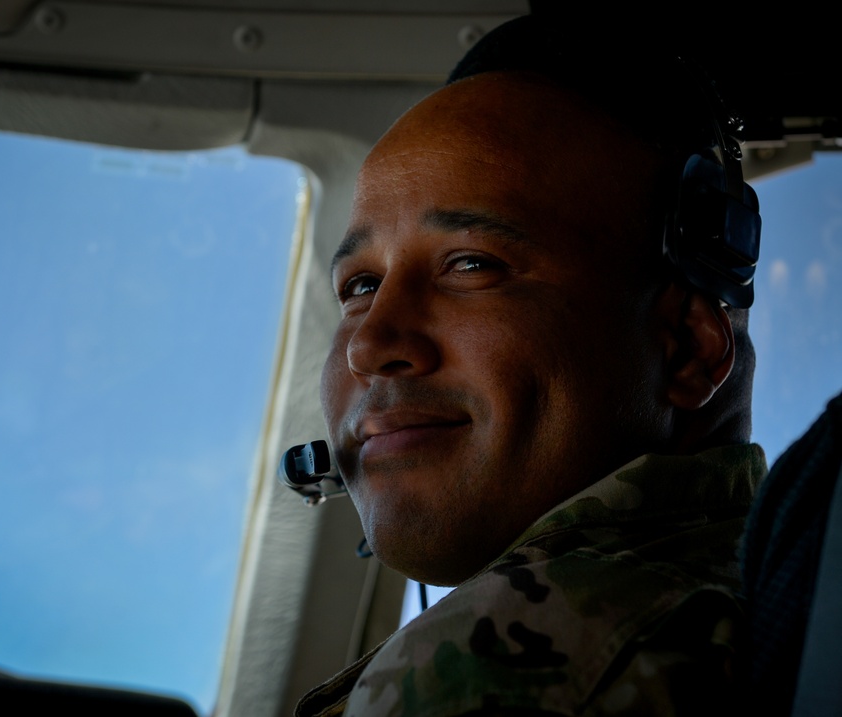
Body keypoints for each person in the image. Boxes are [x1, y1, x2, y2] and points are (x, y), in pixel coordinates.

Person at [296, 14, 766, 717]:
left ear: (689, 347)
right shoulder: (738, 592)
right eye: (360, 285)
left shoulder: (508, 660)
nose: (369, 345)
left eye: (470, 265)